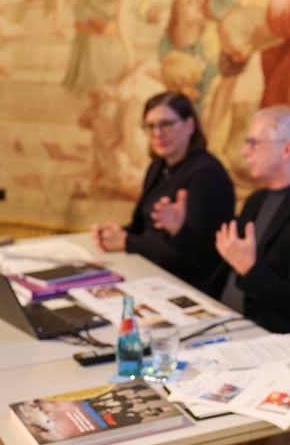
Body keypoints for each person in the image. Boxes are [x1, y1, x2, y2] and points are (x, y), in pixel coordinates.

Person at [213, 105, 290, 342]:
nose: (244, 152)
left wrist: (250, 270)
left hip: (266, 337)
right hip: (224, 322)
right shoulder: (256, 200)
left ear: (287, 149)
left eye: (254, 143)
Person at [92, 91, 235, 296]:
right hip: (149, 273)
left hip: (187, 288)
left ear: (190, 125)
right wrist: (113, 234)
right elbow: (143, 227)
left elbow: (203, 257)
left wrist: (127, 241)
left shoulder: (206, 174)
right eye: (150, 126)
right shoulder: (158, 166)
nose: (157, 133)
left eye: (166, 124)